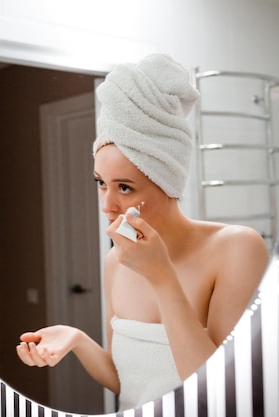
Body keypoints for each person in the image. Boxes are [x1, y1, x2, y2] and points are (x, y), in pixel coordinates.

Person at [15, 53, 270, 411]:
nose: (107, 205)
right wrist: (77, 340)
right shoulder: (115, 263)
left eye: (125, 187)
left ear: (168, 182)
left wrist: (162, 276)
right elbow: (124, 382)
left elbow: (222, 393)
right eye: (100, 183)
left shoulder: (237, 248)